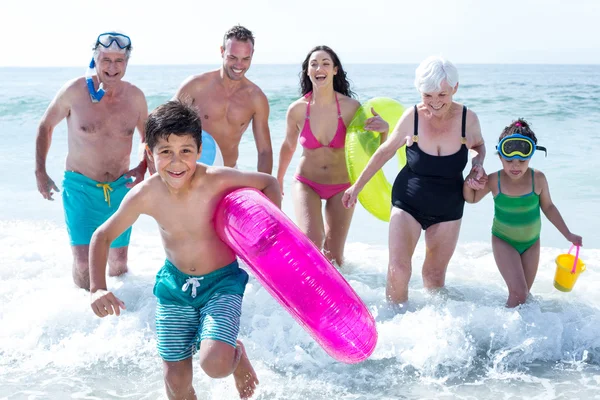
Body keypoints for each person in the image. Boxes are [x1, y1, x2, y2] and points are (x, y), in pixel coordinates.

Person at [89, 101, 281, 399]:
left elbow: (269, 183)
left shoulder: (217, 180)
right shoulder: (146, 194)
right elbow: (102, 236)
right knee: (176, 383)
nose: (176, 163)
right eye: (165, 152)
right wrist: (97, 288)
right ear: (150, 154)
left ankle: (236, 355)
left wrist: (265, 238)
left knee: (215, 364)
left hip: (221, 284)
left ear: (199, 150)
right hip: (174, 288)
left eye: (185, 151)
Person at [342, 56, 486, 306]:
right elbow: (385, 151)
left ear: (455, 88)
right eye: (427, 95)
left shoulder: (467, 119)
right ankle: (394, 324)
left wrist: (477, 164)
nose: (435, 102)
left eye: (442, 94)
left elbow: (479, 147)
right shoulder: (413, 117)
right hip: (408, 200)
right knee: (398, 270)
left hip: (448, 206)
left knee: (434, 276)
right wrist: (357, 186)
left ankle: (432, 331)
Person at [35, 32, 148, 290]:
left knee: (118, 263)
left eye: (119, 60)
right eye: (106, 59)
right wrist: (40, 171)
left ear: (127, 62)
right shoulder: (74, 91)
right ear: (95, 58)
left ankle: (119, 316)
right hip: (81, 187)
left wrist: (143, 166)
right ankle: (85, 311)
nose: (112, 67)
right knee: (84, 263)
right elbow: (45, 126)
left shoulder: (135, 97)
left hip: (120, 189)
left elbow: (147, 138)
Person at [463, 119, 582, 307]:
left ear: (531, 156)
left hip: (532, 243)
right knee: (518, 293)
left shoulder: (538, 179)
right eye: (509, 160)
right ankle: (503, 334)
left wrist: (568, 234)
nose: (515, 166)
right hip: (504, 241)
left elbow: (549, 207)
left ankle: (521, 333)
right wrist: (469, 180)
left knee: (524, 296)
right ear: (500, 157)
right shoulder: (495, 180)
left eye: (522, 160)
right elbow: (471, 198)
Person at [277, 45, 360, 266]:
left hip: (341, 186)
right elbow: (288, 146)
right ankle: (305, 295)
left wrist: (382, 131)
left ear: (335, 70)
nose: (319, 68)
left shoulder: (351, 108)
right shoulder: (297, 109)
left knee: (334, 257)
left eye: (325, 63)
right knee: (312, 243)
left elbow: (368, 149)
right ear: (307, 71)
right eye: (313, 64)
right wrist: (277, 180)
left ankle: (338, 299)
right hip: (307, 183)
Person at [174, 25, 272, 173]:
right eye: (232, 57)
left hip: (229, 172)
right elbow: (163, 124)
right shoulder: (196, 86)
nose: (239, 65)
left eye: (245, 59)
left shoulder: (256, 98)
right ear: (222, 51)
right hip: (193, 172)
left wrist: (263, 189)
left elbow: (264, 151)